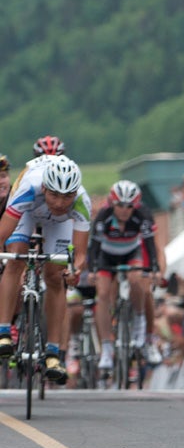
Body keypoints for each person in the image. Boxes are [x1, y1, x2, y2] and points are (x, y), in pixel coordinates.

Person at [0, 155, 90, 384]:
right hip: (29, 211)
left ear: (75, 192)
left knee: (55, 276)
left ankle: (52, 353)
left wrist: (74, 271)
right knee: (15, 260)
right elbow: (3, 233)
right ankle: (3, 333)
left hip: (59, 224)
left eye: (67, 196)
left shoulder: (81, 201)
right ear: (44, 187)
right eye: (54, 195)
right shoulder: (29, 187)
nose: (60, 203)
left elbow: (79, 255)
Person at [88, 180, 167, 371]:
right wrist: (92, 270)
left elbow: (150, 245)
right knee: (103, 294)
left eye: (129, 206)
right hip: (107, 256)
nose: (124, 210)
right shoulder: (103, 216)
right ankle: (106, 347)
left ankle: (140, 321)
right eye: (120, 205)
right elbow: (94, 247)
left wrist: (155, 269)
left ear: (136, 205)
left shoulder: (143, 215)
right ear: (112, 203)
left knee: (137, 279)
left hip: (132, 253)